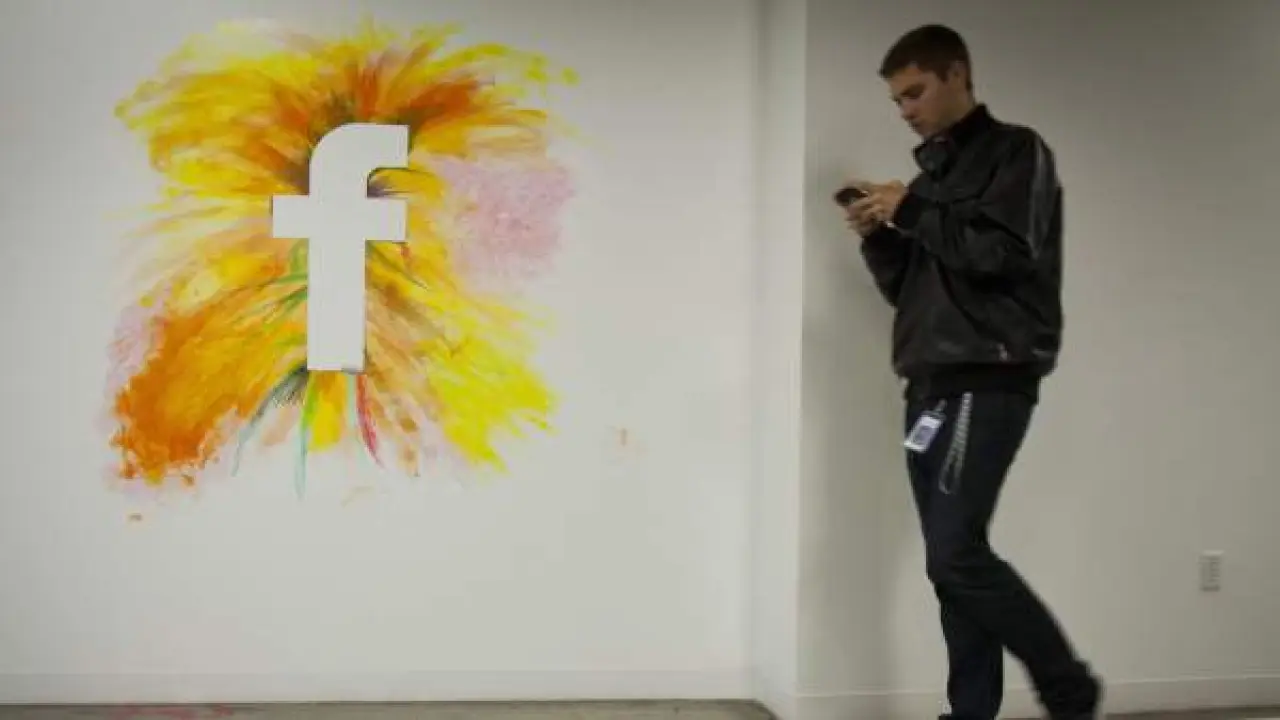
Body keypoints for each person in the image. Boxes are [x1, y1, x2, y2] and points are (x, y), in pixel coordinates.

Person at [842, 24, 1103, 720]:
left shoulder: (1016, 152)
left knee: (955, 556)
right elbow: (916, 292)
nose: (906, 111)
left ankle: (1070, 690)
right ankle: (971, 713)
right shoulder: (930, 184)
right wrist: (879, 239)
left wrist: (913, 210)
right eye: (897, 101)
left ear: (957, 74)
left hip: (985, 375)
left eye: (915, 92)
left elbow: (1003, 256)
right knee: (950, 564)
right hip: (928, 385)